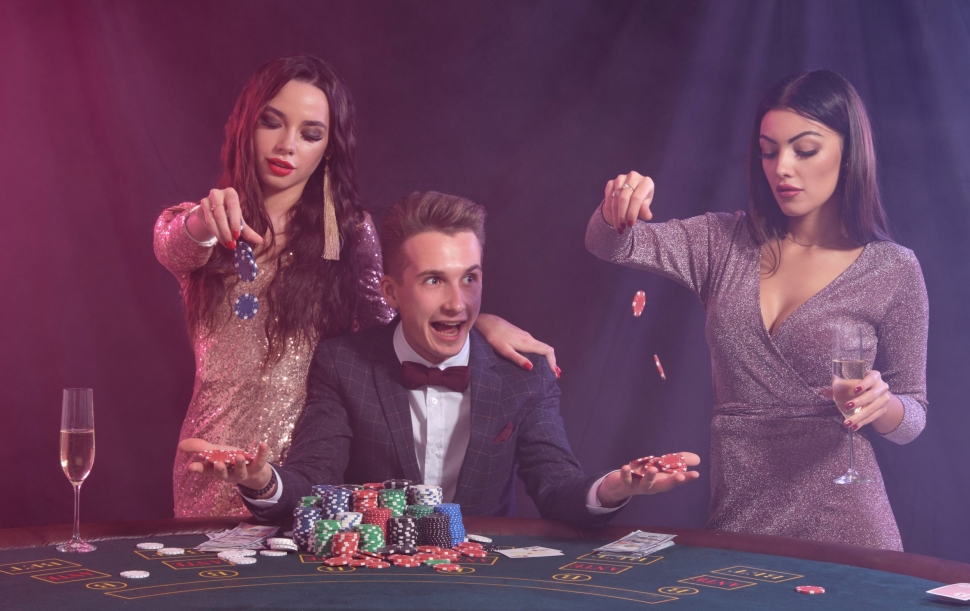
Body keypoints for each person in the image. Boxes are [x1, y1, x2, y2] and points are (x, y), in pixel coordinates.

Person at [154, 56, 559, 518]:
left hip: (314, 469)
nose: (287, 145)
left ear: (328, 148)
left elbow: (397, 327)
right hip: (212, 457)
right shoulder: (199, 225)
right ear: (246, 126)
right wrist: (202, 222)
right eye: (271, 123)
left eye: (310, 133)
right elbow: (174, 248)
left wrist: (476, 320)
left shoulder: (348, 234)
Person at [180, 191, 701, 523]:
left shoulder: (522, 374)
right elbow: (311, 482)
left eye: (469, 278)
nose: (458, 303)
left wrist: (612, 489)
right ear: (390, 290)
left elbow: (558, 486)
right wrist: (260, 480)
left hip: (481, 592)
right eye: (434, 281)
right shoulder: (343, 364)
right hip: (374, 591)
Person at [585, 70, 927, 551]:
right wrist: (618, 201)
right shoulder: (720, 242)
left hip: (849, 523)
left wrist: (882, 405)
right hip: (740, 516)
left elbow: (913, 416)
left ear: (849, 154)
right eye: (769, 151)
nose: (782, 167)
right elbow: (608, 243)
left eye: (804, 150)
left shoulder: (892, 268)